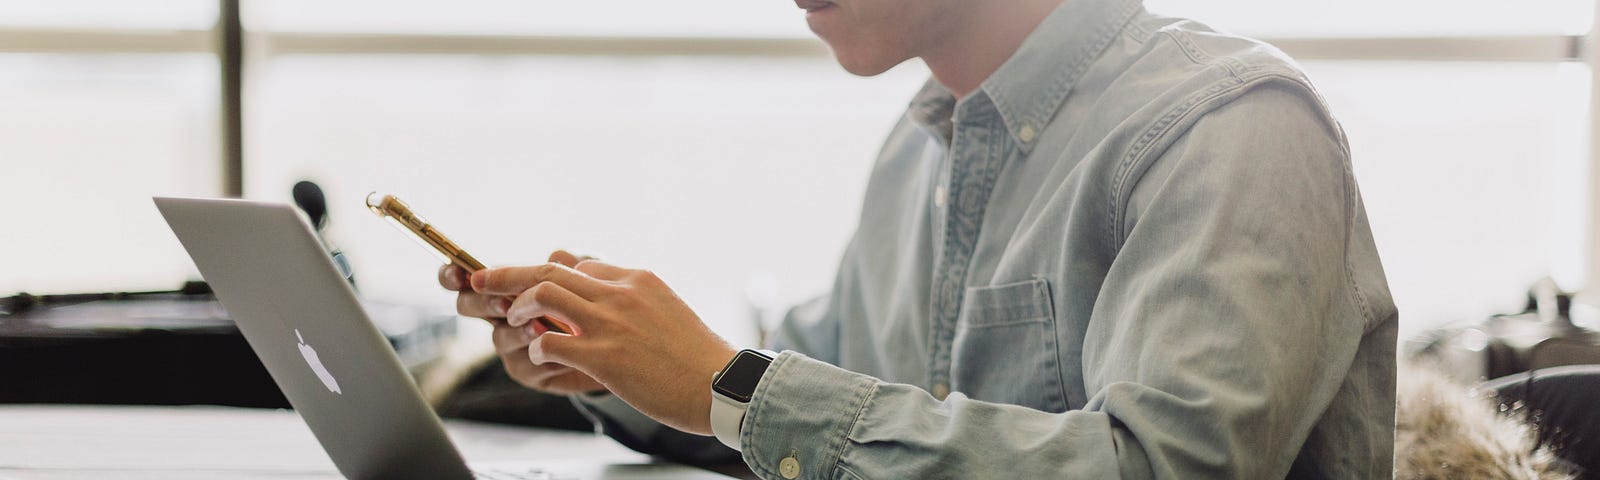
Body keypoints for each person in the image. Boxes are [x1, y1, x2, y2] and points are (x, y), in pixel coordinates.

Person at [439, 0, 1399, 476]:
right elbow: (832, 404)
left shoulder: (1229, 128)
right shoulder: (920, 147)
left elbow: (1160, 470)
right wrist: (631, 370)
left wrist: (724, 384)